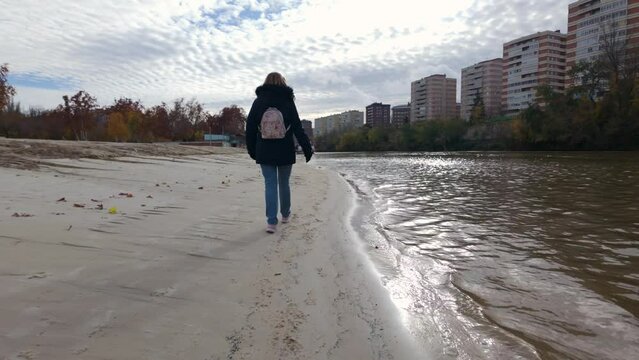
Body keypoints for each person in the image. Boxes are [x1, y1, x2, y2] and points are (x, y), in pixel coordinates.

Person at [246, 72, 313, 233]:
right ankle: (285, 215)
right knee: (284, 183)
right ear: (283, 83)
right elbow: (297, 127)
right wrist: (307, 148)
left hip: (264, 149)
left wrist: (252, 150)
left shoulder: (258, 101)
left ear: (265, 83)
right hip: (285, 149)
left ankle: (271, 223)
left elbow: (249, 128)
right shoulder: (288, 101)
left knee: (270, 184)